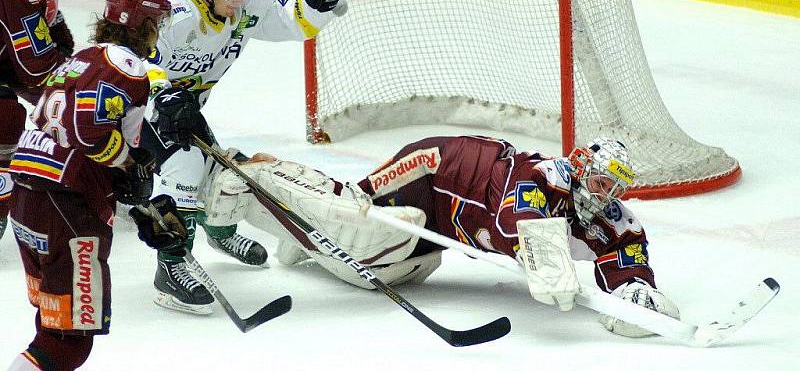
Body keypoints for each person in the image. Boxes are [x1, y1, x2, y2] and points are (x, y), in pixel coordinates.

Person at [203, 135, 680, 338]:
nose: (607, 195)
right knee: (354, 210)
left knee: (375, 272)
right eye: (600, 182)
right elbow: (522, 229)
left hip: (441, 222)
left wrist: (636, 291)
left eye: (615, 188)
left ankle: (307, 240)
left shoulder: (609, 215)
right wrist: (553, 271)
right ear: (580, 171)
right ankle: (256, 174)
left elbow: (625, 251)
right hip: (433, 166)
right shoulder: (539, 179)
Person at [141, 0, 353, 315]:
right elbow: (136, 58)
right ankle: (171, 270)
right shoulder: (171, 11)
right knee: (186, 168)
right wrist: (161, 94)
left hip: (187, 107)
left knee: (225, 175)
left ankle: (219, 233)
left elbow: (291, 19)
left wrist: (315, 2)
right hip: (143, 108)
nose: (238, 3)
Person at [6, 0, 187, 370]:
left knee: (52, 327)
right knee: (68, 342)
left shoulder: (81, 59)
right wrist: (128, 163)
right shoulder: (127, 66)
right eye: (156, 24)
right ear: (144, 24)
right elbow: (87, 132)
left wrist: (139, 206)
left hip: (27, 197)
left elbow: (83, 139)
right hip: (66, 209)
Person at [0, 0, 82, 243]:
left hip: (5, 55)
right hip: (11, 59)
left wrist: (58, 35)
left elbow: (41, 12)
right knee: (7, 119)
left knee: (74, 99)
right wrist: (70, 76)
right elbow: (34, 68)